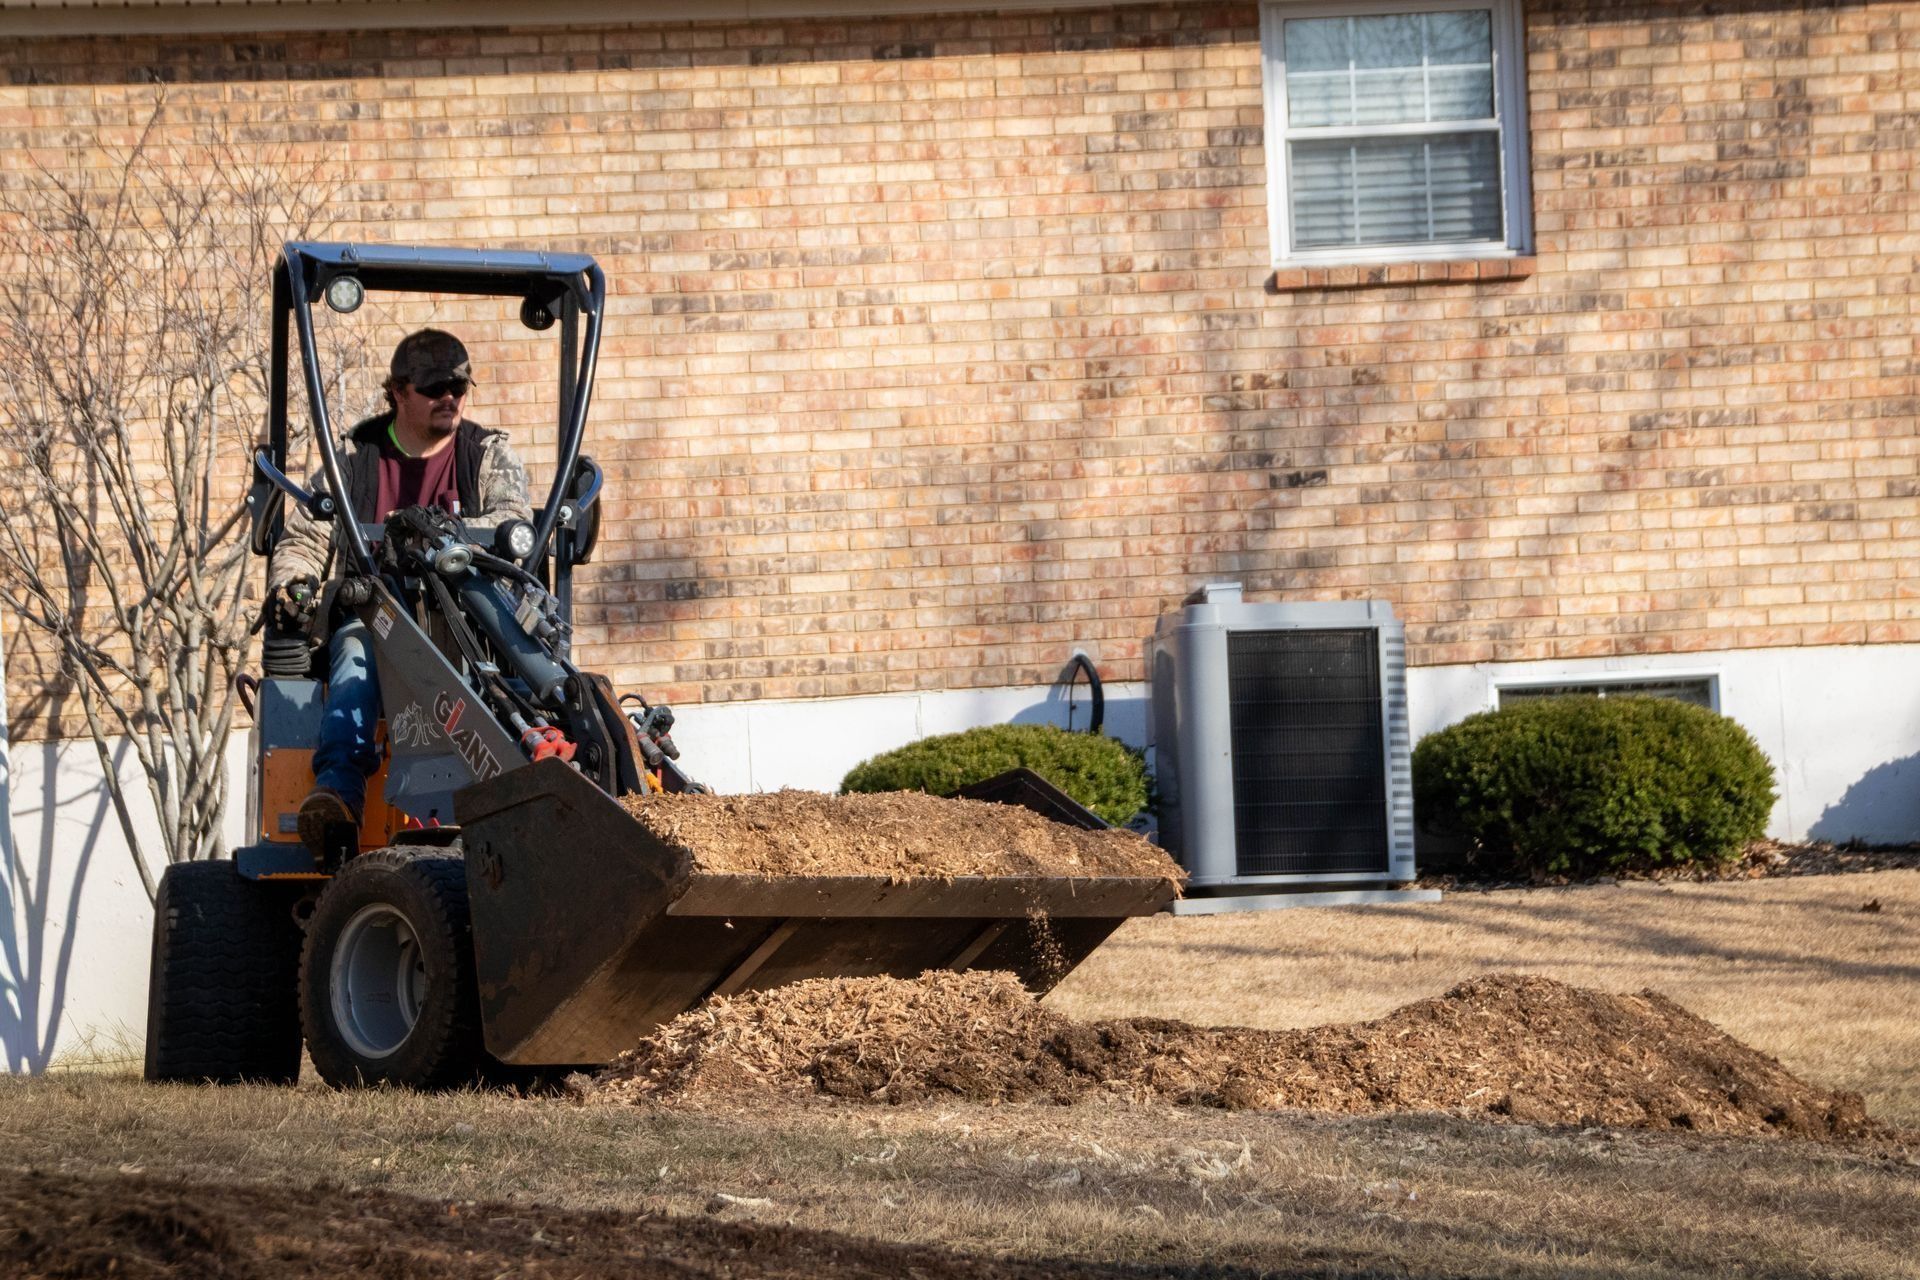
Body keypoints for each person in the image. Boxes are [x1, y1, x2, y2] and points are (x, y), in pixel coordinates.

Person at [267, 328, 533, 860]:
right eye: (436, 387)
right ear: (398, 391)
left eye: (459, 386)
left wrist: (436, 533)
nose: (451, 398)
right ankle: (339, 795)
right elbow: (304, 537)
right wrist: (292, 585)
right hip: (376, 619)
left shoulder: (485, 456)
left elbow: (512, 522)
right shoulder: (354, 464)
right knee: (352, 655)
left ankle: (519, 799)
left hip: (466, 623)